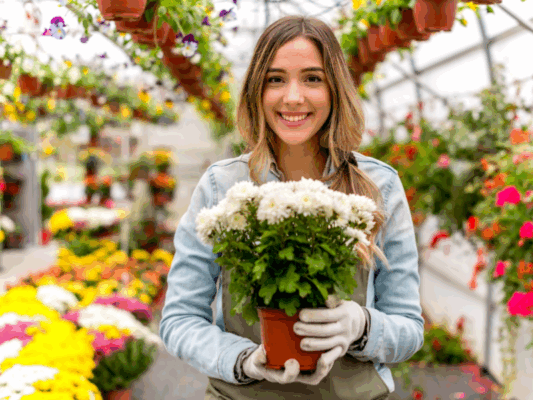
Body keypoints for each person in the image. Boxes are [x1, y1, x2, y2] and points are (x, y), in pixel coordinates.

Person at [159, 15, 424, 400]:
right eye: (276, 79)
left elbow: (409, 327)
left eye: (312, 78)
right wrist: (244, 359)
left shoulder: (378, 185)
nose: (293, 97)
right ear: (256, 90)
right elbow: (179, 320)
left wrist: (362, 326)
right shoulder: (223, 185)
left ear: (335, 89)